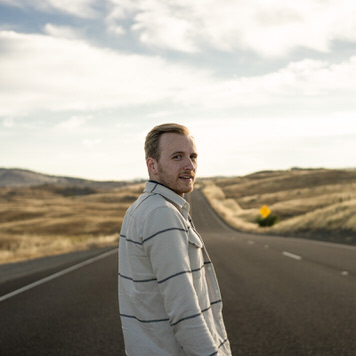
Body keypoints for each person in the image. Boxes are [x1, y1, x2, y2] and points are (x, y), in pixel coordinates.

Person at [118, 123, 232, 355]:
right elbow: (185, 311)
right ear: (153, 166)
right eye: (177, 157)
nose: (189, 165)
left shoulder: (143, 208)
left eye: (193, 156)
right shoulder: (162, 214)